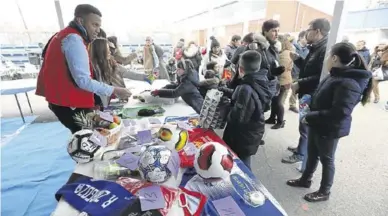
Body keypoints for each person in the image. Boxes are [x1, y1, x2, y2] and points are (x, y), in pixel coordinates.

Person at [287, 42, 373, 202]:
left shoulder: (349, 82)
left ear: (334, 58)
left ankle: (324, 191)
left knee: (327, 159)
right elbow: (326, 96)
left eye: (328, 55)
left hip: (330, 128)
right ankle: (305, 180)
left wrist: (311, 115)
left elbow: (340, 112)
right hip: (317, 122)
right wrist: (311, 101)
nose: (326, 59)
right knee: (312, 154)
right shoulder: (336, 74)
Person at [35, 4, 131, 134]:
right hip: (70, 103)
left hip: (62, 101)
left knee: (93, 135)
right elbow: (83, 80)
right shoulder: (74, 39)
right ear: (80, 21)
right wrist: (115, 90)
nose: (97, 30)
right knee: (91, 140)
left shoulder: (62, 35)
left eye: (99, 26)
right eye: (94, 25)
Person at [282, 18, 330, 165]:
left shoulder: (325, 49)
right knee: (303, 122)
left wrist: (300, 82)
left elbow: (320, 75)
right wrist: (298, 60)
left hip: (311, 93)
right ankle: (300, 147)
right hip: (307, 91)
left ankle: (300, 154)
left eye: (309, 30)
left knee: (305, 123)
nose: (306, 34)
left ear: (317, 31)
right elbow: (310, 68)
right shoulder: (315, 47)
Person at [221, 50, 271, 169]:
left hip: (242, 136)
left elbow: (238, 118)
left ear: (240, 69)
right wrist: (227, 91)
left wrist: (226, 107)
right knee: (243, 161)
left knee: (242, 165)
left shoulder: (245, 88)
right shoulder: (260, 80)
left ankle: (247, 186)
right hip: (252, 132)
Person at [89, 38, 154, 106]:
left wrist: (147, 77)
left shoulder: (111, 63)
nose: (110, 52)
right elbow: (100, 90)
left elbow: (127, 73)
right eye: (107, 49)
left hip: (118, 101)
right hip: (104, 104)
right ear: (101, 51)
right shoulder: (94, 69)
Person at [267, 35, 293, 129]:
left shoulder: (285, 54)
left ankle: (280, 122)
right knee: (274, 101)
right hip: (280, 81)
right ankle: (272, 118)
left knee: (278, 102)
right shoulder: (282, 53)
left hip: (283, 81)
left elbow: (281, 68)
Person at [289, 31, 309, 113]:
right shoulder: (293, 47)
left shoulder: (308, 49)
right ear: (300, 38)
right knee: (290, 88)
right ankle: (291, 105)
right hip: (292, 71)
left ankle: (292, 105)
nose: (306, 39)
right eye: (305, 37)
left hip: (301, 72)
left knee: (296, 89)